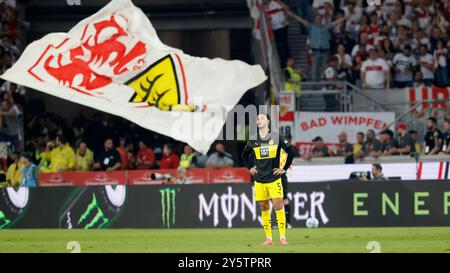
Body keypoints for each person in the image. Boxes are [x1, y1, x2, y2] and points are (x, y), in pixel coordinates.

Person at [241, 113, 296, 246]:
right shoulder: (253, 139)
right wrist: (250, 167)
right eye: (257, 118)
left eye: (262, 118)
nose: (259, 120)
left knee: (278, 205)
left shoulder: (276, 137)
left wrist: (284, 168)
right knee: (264, 207)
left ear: (268, 121)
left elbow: (291, 151)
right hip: (259, 179)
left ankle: (282, 237)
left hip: (274, 178)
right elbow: (244, 154)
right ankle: (269, 239)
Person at [289, 11, 347, 82]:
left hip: (324, 51)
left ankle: (323, 84)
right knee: (314, 69)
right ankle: (314, 86)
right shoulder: (311, 27)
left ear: (321, 19)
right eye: (317, 19)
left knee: (324, 69)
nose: (318, 20)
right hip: (315, 51)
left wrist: (345, 18)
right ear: (315, 20)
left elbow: (336, 22)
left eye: (320, 19)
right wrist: (293, 15)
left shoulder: (326, 27)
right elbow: (302, 21)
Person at [264, 0, 291, 66]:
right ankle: (283, 62)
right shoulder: (262, 7)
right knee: (278, 46)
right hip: (273, 29)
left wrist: (286, 19)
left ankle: (289, 59)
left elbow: (287, 8)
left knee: (284, 44)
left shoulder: (276, 3)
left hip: (282, 26)